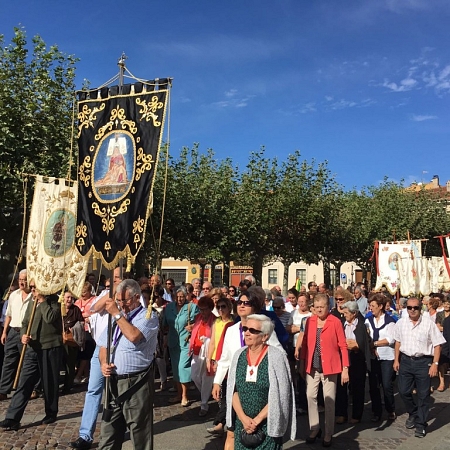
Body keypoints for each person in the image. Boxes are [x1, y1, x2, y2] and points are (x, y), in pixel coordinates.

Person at [212, 288, 284, 450]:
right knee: (232, 431)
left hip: (259, 385)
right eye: (240, 302)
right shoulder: (231, 330)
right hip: (236, 384)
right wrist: (217, 382)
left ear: (255, 307)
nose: (242, 306)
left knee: (258, 433)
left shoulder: (263, 328)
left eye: (247, 303)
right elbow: (224, 358)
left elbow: (279, 353)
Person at [97, 279, 159, 450]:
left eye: (125, 300)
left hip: (136, 382)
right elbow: (103, 346)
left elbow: (133, 336)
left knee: (139, 433)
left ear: (137, 297)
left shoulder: (148, 316)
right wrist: (103, 363)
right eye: (118, 300)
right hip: (113, 382)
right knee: (108, 434)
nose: (121, 304)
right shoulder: (116, 317)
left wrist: (117, 314)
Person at [226, 314, 296, 450]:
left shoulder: (276, 357)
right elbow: (232, 391)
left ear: (265, 336)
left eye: (252, 330)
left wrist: (257, 420)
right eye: (245, 328)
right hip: (243, 426)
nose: (246, 333)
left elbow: (281, 395)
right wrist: (243, 419)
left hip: (267, 425)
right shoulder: (238, 355)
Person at [70, 269, 122, 450]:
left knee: (117, 394)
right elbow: (95, 307)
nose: (113, 281)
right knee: (93, 391)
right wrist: (112, 292)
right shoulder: (104, 294)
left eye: (117, 278)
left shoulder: (131, 295)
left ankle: (117, 431)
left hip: (119, 350)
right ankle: (85, 435)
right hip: (100, 349)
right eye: (112, 279)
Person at [0, 290, 63, 430]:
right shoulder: (31, 302)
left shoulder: (54, 301)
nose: (32, 290)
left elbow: (50, 318)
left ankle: (51, 412)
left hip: (50, 346)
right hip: (32, 348)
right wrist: (23, 335)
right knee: (24, 382)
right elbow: (24, 322)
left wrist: (43, 301)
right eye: (32, 287)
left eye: (35, 288)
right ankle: (12, 417)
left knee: (49, 382)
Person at [299, 293, 349, 447]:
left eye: (322, 307)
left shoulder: (335, 322)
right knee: (310, 396)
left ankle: (328, 433)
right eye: (317, 307)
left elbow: (343, 345)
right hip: (313, 366)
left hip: (330, 367)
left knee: (329, 400)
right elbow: (306, 343)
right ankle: (314, 428)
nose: (319, 310)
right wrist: (302, 362)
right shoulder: (310, 321)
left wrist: (345, 368)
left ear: (329, 307)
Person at [393, 297, 446, 438]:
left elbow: (437, 345)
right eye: (409, 308)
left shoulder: (428, 324)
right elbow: (397, 342)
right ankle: (414, 413)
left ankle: (421, 424)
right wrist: (396, 360)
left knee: (423, 395)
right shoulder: (401, 323)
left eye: (415, 308)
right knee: (403, 391)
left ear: (420, 308)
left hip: (423, 362)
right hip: (405, 361)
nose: (412, 310)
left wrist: (435, 364)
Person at [0, 269, 33, 401]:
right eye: (20, 279)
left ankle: (28, 389)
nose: (22, 282)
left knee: (27, 362)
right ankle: (3, 390)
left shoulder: (33, 296)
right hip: (13, 331)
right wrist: (4, 332)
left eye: (24, 280)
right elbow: (8, 314)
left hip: (26, 332)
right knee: (8, 361)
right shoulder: (13, 295)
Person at [163, 286, 198, 406]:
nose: (179, 299)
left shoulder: (192, 307)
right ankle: (179, 394)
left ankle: (185, 395)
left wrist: (193, 327)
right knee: (176, 369)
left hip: (186, 342)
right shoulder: (169, 307)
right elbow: (165, 324)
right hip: (173, 342)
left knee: (183, 367)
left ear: (186, 296)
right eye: (177, 297)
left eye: (182, 296)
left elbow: (200, 322)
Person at [365, 293, 397, 421]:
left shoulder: (390, 321)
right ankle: (376, 411)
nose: (370, 308)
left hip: (387, 357)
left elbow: (391, 339)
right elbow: (366, 337)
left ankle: (390, 409)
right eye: (370, 305)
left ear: (380, 306)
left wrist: (375, 343)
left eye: (373, 306)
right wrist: (371, 347)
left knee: (386, 384)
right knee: (373, 385)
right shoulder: (368, 321)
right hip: (373, 358)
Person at [340, 301, 372, 424]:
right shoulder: (342, 324)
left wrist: (354, 345)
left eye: (347, 313)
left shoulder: (362, 325)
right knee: (342, 387)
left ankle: (356, 415)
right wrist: (349, 344)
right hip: (344, 358)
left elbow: (362, 343)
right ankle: (342, 413)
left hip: (358, 359)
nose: (344, 315)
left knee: (358, 387)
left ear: (354, 313)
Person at [206, 296, 234, 435]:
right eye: (219, 307)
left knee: (226, 393)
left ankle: (220, 422)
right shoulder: (216, 322)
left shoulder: (233, 323)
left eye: (223, 306)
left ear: (229, 307)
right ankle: (223, 422)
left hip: (229, 360)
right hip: (218, 360)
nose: (221, 309)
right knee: (221, 392)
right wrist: (209, 359)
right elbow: (212, 342)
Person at [189, 295, 215, 416]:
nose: (202, 312)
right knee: (194, 375)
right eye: (201, 309)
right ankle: (206, 393)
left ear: (210, 308)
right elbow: (195, 331)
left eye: (205, 309)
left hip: (208, 353)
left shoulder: (215, 320)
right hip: (196, 351)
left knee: (206, 378)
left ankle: (204, 404)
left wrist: (207, 340)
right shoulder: (198, 317)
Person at [74, 282, 96, 384]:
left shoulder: (94, 300)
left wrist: (88, 316)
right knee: (81, 353)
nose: (83, 294)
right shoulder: (78, 302)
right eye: (81, 292)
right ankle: (86, 375)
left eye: (85, 292)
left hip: (89, 329)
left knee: (86, 352)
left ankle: (79, 375)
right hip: (79, 330)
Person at [62, 291, 84, 394]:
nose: (69, 299)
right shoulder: (59, 309)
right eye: (67, 297)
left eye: (71, 297)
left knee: (70, 364)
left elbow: (81, 322)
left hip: (71, 340)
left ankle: (68, 386)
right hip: (59, 339)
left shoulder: (75, 310)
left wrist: (75, 329)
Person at [435, 296, 450, 391]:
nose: (446, 305)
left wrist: (444, 328)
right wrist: (447, 329)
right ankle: (442, 382)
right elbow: (437, 327)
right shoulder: (440, 314)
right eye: (445, 303)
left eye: (448, 303)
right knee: (441, 361)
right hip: (442, 339)